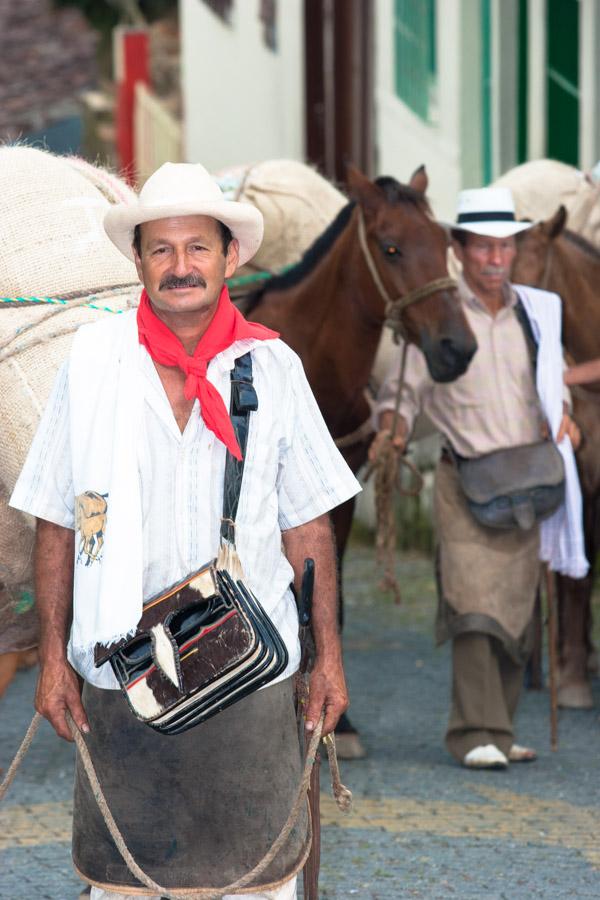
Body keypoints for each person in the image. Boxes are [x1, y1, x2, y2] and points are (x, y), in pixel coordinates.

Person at [10, 161, 360, 899]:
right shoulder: (92, 362)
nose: (180, 267)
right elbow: (55, 522)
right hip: (120, 671)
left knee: (259, 883)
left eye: (197, 247)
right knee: (124, 887)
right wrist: (50, 659)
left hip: (253, 672)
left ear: (230, 257)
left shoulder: (275, 368)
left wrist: (327, 659)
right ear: (136, 261)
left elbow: (310, 528)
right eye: (160, 249)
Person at [370, 186, 584, 770]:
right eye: (483, 247)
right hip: (464, 480)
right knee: (473, 611)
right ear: (459, 251)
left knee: (517, 614)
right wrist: (392, 427)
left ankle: (501, 728)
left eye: (505, 247)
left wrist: (566, 420)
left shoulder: (535, 315)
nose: (496, 259)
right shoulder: (440, 313)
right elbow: (403, 391)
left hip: (528, 484)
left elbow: (554, 385)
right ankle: (471, 734)